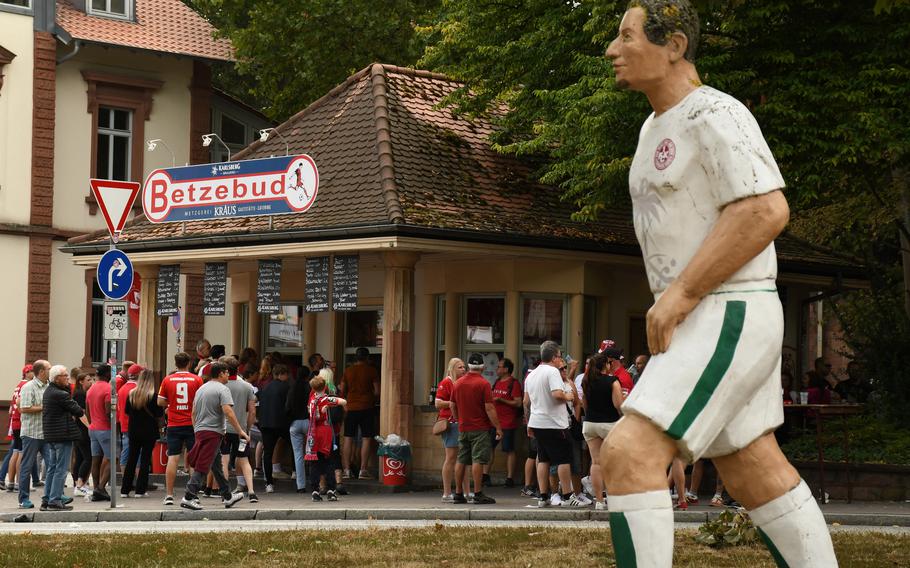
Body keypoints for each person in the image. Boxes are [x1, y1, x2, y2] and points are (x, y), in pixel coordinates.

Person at [603, 2, 837, 565]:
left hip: (725, 308)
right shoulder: (653, 126)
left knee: (628, 453)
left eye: (626, 36)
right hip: (703, 313)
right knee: (753, 468)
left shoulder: (716, 113)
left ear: (675, 45)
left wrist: (681, 294)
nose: (612, 50)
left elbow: (763, 210)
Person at [524, 342, 585, 507]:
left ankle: (543, 497)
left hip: (537, 422)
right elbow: (557, 394)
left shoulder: (532, 374)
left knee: (543, 459)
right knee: (563, 460)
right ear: (553, 357)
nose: (560, 360)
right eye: (559, 356)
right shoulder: (552, 372)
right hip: (554, 423)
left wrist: (529, 423)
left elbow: (527, 402)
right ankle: (567, 496)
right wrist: (568, 396)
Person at [180, 362, 247, 511]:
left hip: (201, 430)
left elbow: (193, 413)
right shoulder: (223, 389)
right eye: (227, 372)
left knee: (216, 465)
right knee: (203, 465)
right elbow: (228, 411)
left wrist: (196, 429)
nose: (228, 375)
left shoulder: (201, 389)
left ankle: (227, 496)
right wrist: (240, 430)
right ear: (221, 373)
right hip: (213, 432)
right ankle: (189, 496)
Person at [450, 353, 501, 505]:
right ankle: (478, 493)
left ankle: (458, 493)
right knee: (478, 459)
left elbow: (452, 405)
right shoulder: (483, 384)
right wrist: (498, 427)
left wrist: (459, 419)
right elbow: (489, 408)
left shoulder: (458, 383)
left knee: (461, 459)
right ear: (483, 367)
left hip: (463, 427)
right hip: (480, 428)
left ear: (469, 366)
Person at [157, 352, 204, 506]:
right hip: (192, 423)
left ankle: (169, 494)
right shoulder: (196, 379)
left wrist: (171, 403)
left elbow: (160, 401)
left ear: (176, 363)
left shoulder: (168, 379)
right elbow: (201, 399)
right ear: (189, 363)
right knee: (194, 460)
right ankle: (193, 494)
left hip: (174, 424)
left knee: (173, 457)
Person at [42, 365, 89, 510]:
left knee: (53, 468)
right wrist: (90, 427)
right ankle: (55, 500)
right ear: (57, 378)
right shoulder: (60, 394)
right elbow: (78, 410)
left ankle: (47, 498)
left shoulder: (49, 391)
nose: (68, 378)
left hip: (52, 435)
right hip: (62, 435)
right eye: (65, 376)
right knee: (61, 470)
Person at [581, 353, 623, 511]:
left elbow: (584, 403)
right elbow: (618, 404)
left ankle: (599, 501)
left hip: (590, 423)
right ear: (605, 365)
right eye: (608, 363)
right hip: (609, 424)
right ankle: (614, 498)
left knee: (596, 462)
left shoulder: (587, 381)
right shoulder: (612, 381)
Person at [220, 356, 258, 503]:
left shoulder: (222, 387)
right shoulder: (247, 387)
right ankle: (252, 491)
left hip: (224, 429)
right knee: (244, 459)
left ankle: (225, 492)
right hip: (241, 430)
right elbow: (253, 411)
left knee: (224, 459)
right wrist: (247, 427)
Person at [121, 369, 164, 498]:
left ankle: (125, 489)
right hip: (149, 431)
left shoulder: (132, 394)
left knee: (131, 459)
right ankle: (140, 490)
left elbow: (127, 411)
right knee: (145, 460)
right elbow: (159, 414)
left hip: (133, 430)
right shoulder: (154, 396)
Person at [339, 347, 380, 479]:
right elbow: (377, 391)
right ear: (367, 358)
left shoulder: (348, 371)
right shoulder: (371, 371)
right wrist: (371, 399)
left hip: (351, 407)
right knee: (366, 438)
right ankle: (363, 470)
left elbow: (342, 390)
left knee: (348, 438)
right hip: (367, 407)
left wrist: (347, 401)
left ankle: (346, 470)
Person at [305, 374, 347, 501]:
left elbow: (311, 413)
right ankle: (330, 489)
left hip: (313, 432)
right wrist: (329, 403)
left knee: (314, 462)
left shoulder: (312, 399)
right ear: (324, 387)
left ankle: (314, 490)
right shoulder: (325, 399)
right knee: (329, 461)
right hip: (324, 431)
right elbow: (343, 401)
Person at [17, 360, 51, 509]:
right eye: (49, 369)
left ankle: (51, 497)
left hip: (46, 433)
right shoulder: (28, 387)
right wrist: (44, 407)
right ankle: (23, 499)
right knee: (27, 466)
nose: (51, 370)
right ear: (41, 372)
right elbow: (24, 408)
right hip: (31, 433)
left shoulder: (49, 386)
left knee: (52, 465)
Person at [435, 357, 466, 502]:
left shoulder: (462, 382)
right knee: (451, 458)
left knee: (463, 458)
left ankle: (465, 491)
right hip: (450, 423)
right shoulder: (446, 382)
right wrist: (453, 403)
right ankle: (447, 493)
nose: (463, 369)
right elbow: (438, 403)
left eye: (464, 367)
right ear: (452, 368)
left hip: (462, 422)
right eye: (460, 367)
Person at [487, 358, 522, 487]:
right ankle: (486, 476)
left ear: (506, 369)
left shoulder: (514, 383)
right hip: (494, 422)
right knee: (489, 447)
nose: (497, 369)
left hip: (508, 422)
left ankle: (509, 478)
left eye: (499, 367)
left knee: (509, 449)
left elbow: (518, 402)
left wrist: (502, 400)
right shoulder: (496, 382)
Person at [258, 363, 292, 493]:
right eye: (286, 374)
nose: (288, 377)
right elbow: (289, 406)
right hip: (282, 423)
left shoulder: (264, 387)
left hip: (266, 423)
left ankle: (269, 483)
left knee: (267, 453)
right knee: (295, 446)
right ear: (282, 374)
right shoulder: (286, 387)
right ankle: (295, 472)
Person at [1, 364, 34, 492]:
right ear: (26, 373)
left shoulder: (18, 385)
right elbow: (20, 405)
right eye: (31, 372)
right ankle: (20, 484)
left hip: (14, 422)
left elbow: (10, 409)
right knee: (21, 453)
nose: (33, 374)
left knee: (15, 452)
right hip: (21, 422)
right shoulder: (26, 386)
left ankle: (10, 482)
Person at [86, 363, 115, 502]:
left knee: (95, 460)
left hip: (93, 429)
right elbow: (109, 410)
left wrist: (92, 422)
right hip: (105, 429)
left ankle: (96, 488)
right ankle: (101, 488)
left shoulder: (90, 389)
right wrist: (113, 426)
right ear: (107, 375)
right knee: (112, 458)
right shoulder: (109, 389)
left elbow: (87, 410)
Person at [287, 361, 312, 495]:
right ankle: (315, 482)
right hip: (309, 422)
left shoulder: (292, 388)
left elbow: (287, 407)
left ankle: (300, 485)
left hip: (295, 423)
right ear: (307, 376)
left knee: (298, 455)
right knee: (312, 452)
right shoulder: (309, 388)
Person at [71, 371, 94, 496]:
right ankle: (80, 484)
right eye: (88, 380)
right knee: (88, 457)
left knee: (79, 457)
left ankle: (77, 485)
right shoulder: (80, 394)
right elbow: (81, 413)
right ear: (81, 382)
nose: (91, 382)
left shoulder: (79, 393)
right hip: (82, 430)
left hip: (78, 430)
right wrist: (89, 426)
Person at [117, 364, 143, 471]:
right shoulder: (138, 389)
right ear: (139, 375)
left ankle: (126, 480)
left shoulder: (122, 389)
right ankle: (138, 482)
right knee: (138, 454)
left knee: (126, 451)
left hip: (124, 424)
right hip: (136, 425)